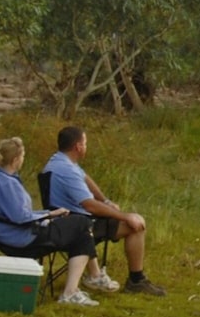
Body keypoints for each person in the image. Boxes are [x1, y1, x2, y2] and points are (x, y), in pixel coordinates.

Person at [43, 126, 166, 296]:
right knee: (136, 225)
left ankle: (98, 274)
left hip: (67, 219)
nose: (86, 147)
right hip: (77, 224)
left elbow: (86, 179)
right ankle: (136, 280)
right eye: (85, 143)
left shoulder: (58, 161)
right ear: (78, 147)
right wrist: (125, 216)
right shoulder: (67, 170)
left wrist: (106, 201)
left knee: (130, 220)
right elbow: (90, 205)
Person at [0, 137, 104, 306]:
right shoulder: (7, 183)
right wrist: (48, 216)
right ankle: (82, 285)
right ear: (17, 159)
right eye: (23, 156)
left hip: (14, 233)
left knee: (82, 234)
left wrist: (49, 213)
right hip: (22, 239)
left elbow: (18, 214)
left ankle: (76, 289)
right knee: (83, 223)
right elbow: (20, 217)